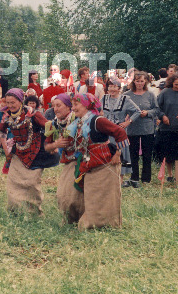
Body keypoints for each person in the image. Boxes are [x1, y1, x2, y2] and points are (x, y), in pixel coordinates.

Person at [65, 92, 128, 229]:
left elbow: (120, 132)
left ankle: (107, 223)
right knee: (92, 195)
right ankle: (93, 220)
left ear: (87, 105)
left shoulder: (98, 120)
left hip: (105, 164)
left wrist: (118, 154)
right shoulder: (80, 122)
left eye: (76, 104)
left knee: (106, 196)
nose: (73, 108)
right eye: (72, 105)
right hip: (89, 164)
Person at [0, 88, 58, 215]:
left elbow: (50, 127)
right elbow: (1, 131)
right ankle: (15, 210)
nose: (10, 105)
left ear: (20, 101)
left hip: (36, 151)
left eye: (13, 102)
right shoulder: (7, 115)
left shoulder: (33, 114)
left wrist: (52, 144)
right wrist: (6, 149)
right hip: (18, 152)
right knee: (13, 181)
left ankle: (34, 212)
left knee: (31, 182)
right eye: (7, 102)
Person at [44, 93, 78, 222]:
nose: (55, 109)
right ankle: (71, 219)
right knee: (63, 194)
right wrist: (55, 144)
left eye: (59, 105)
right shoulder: (53, 124)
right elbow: (46, 146)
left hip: (84, 160)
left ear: (69, 107)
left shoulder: (78, 119)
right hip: (68, 162)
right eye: (53, 106)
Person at [101, 77, 141, 186]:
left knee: (121, 155)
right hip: (106, 133)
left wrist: (128, 122)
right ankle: (107, 181)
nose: (112, 89)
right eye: (110, 86)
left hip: (119, 133)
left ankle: (120, 181)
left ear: (119, 88)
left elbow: (137, 111)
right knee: (107, 155)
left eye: (115, 86)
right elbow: (96, 110)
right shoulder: (103, 98)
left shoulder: (125, 99)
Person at [126, 71, 161, 187]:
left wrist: (147, 113)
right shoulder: (127, 95)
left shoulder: (150, 94)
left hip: (147, 128)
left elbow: (156, 109)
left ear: (145, 81)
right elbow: (123, 110)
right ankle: (134, 177)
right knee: (133, 154)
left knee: (147, 154)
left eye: (142, 81)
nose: (139, 83)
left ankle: (146, 178)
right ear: (133, 81)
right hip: (133, 128)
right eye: (137, 81)